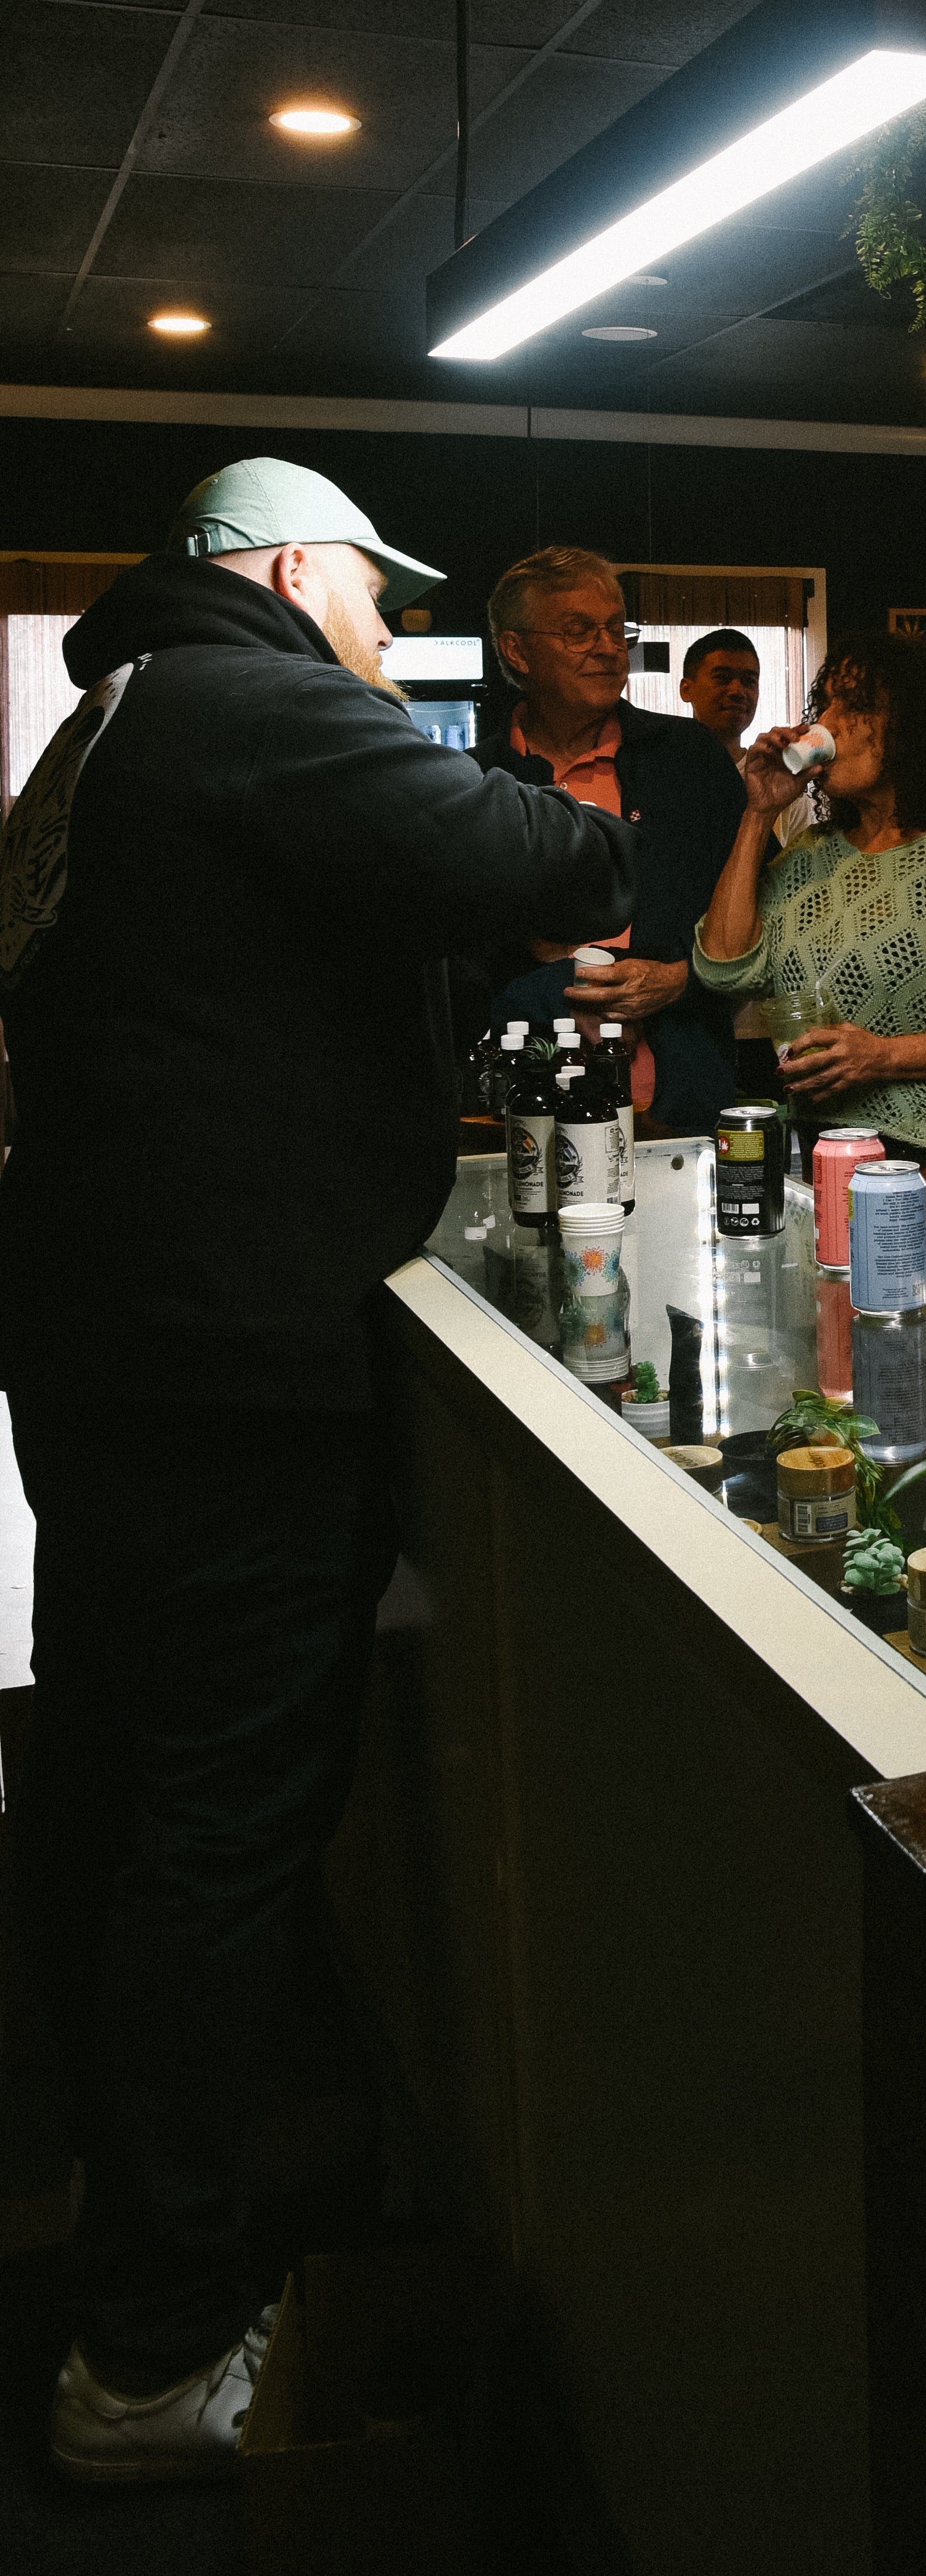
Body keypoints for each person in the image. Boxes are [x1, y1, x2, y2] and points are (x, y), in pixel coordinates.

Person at [0, 458, 632, 2486]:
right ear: (286, 569)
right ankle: (149, 2357)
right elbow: (547, 859)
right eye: (376, 595)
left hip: (103, 1343)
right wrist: (582, 812)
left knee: (105, 1790)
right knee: (218, 1827)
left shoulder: (109, 724)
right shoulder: (249, 692)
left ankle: (108, 2196)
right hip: (230, 1364)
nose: (390, 633)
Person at [692, 628, 926, 1265]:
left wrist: (882, 1057)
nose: (828, 723)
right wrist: (758, 813)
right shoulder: (809, 858)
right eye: (826, 705)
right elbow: (724, 967)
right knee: (836, 1325)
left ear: (910, 729)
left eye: (854, 705)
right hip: (825, 1150)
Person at [478, 545, 746, 1132]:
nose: (608, 648)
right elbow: (444, 958)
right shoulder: (476, 782)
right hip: (523, 1109)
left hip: (682, 1111)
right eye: (579, 631)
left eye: (615, 629)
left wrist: (679, 978)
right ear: (516, 650)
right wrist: (532, 960)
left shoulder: (691, 760)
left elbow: (767, 912)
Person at [680, 627, 761, 757]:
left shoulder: (769, 767)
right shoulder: (660, 766)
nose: (738, 692)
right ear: (687, 690)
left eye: (749, 681)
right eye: (722, 678)